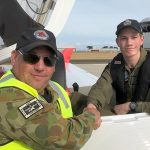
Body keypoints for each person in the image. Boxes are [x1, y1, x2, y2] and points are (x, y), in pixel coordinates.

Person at [0, 28, 101, 150]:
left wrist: (92, 104)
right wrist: (91, 116)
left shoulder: (53, 87)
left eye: (49, 60)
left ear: (54, 66)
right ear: (14, 58)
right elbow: (67, 138)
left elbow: (67, 100)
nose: (40, 67)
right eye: (31, 58)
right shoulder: (7, 97)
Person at [88, 19, 150, 115]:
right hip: (122, 120)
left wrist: (132, 106)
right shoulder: (115, 66)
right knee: (78, 100)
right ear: (118, 42)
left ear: (141, 40)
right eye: (124, 38)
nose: (129, 43)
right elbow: (100, 87)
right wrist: (91, 106)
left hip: (146, 118)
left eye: (134, 37)